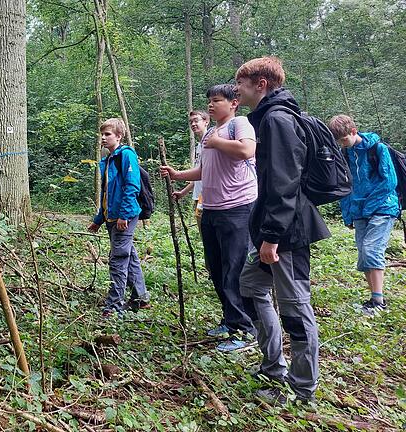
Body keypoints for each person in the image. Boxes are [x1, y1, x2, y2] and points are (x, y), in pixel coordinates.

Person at [234, 56, 330, 405]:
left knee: (294, 307)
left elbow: (284, 182)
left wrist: (272, 236)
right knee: (250, 285)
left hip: (287, 231)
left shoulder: (276, 120)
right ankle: (273, 365)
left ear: (261, 84)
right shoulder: (270, 118)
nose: (236, 88)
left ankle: (302, 390)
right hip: (274, 228)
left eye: (241, 82)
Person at [160, 84, 258, 352]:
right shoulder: (211, 132)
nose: (212, 105)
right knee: (216, 267)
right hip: (212, 208)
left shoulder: (240, 124)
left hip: (237, 208)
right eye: (210, 101)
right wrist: (179, 175)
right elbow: (206, 169)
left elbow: (247, 151)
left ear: (234, 103)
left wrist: (217, 142)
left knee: (234, 269)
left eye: (217, 101)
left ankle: (245, 330)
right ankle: (230, 319)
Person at [328, 114, 400, 315]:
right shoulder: (345, 154)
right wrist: (349, 214)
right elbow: (345, 187)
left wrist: (368, 206)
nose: (343, 144)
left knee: (371, 250)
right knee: (363, 253)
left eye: (344, 139)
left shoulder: (378, 149)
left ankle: (379, 302)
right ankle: (373, 300)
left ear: (353, 131)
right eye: (339, 141)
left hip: (383, 208)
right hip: (359, 211)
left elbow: (389, 182)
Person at [87, 118, 149, 316]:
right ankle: (140, 298)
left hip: (125, 216)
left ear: (119, 136)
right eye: (102, 134)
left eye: (108, 134)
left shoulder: (126, 156)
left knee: (118, 259)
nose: (103, 138)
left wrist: (124, 215)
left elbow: (132, 186)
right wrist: (99, 219)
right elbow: (107, 193)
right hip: (112, 217)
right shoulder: (107, 160)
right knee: (129, 256)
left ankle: (114, 305)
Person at [172, 110, 211, 229]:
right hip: (198, 198)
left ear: (206, 122)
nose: (193, 124)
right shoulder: (199, 146)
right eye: (191, 122)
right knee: (204, 235)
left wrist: (177, 175)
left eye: (196, 120)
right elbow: (198, 175)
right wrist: (183, 192)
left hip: (208, 198)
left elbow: (206, 173)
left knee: (209, 235)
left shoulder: (211, 143)